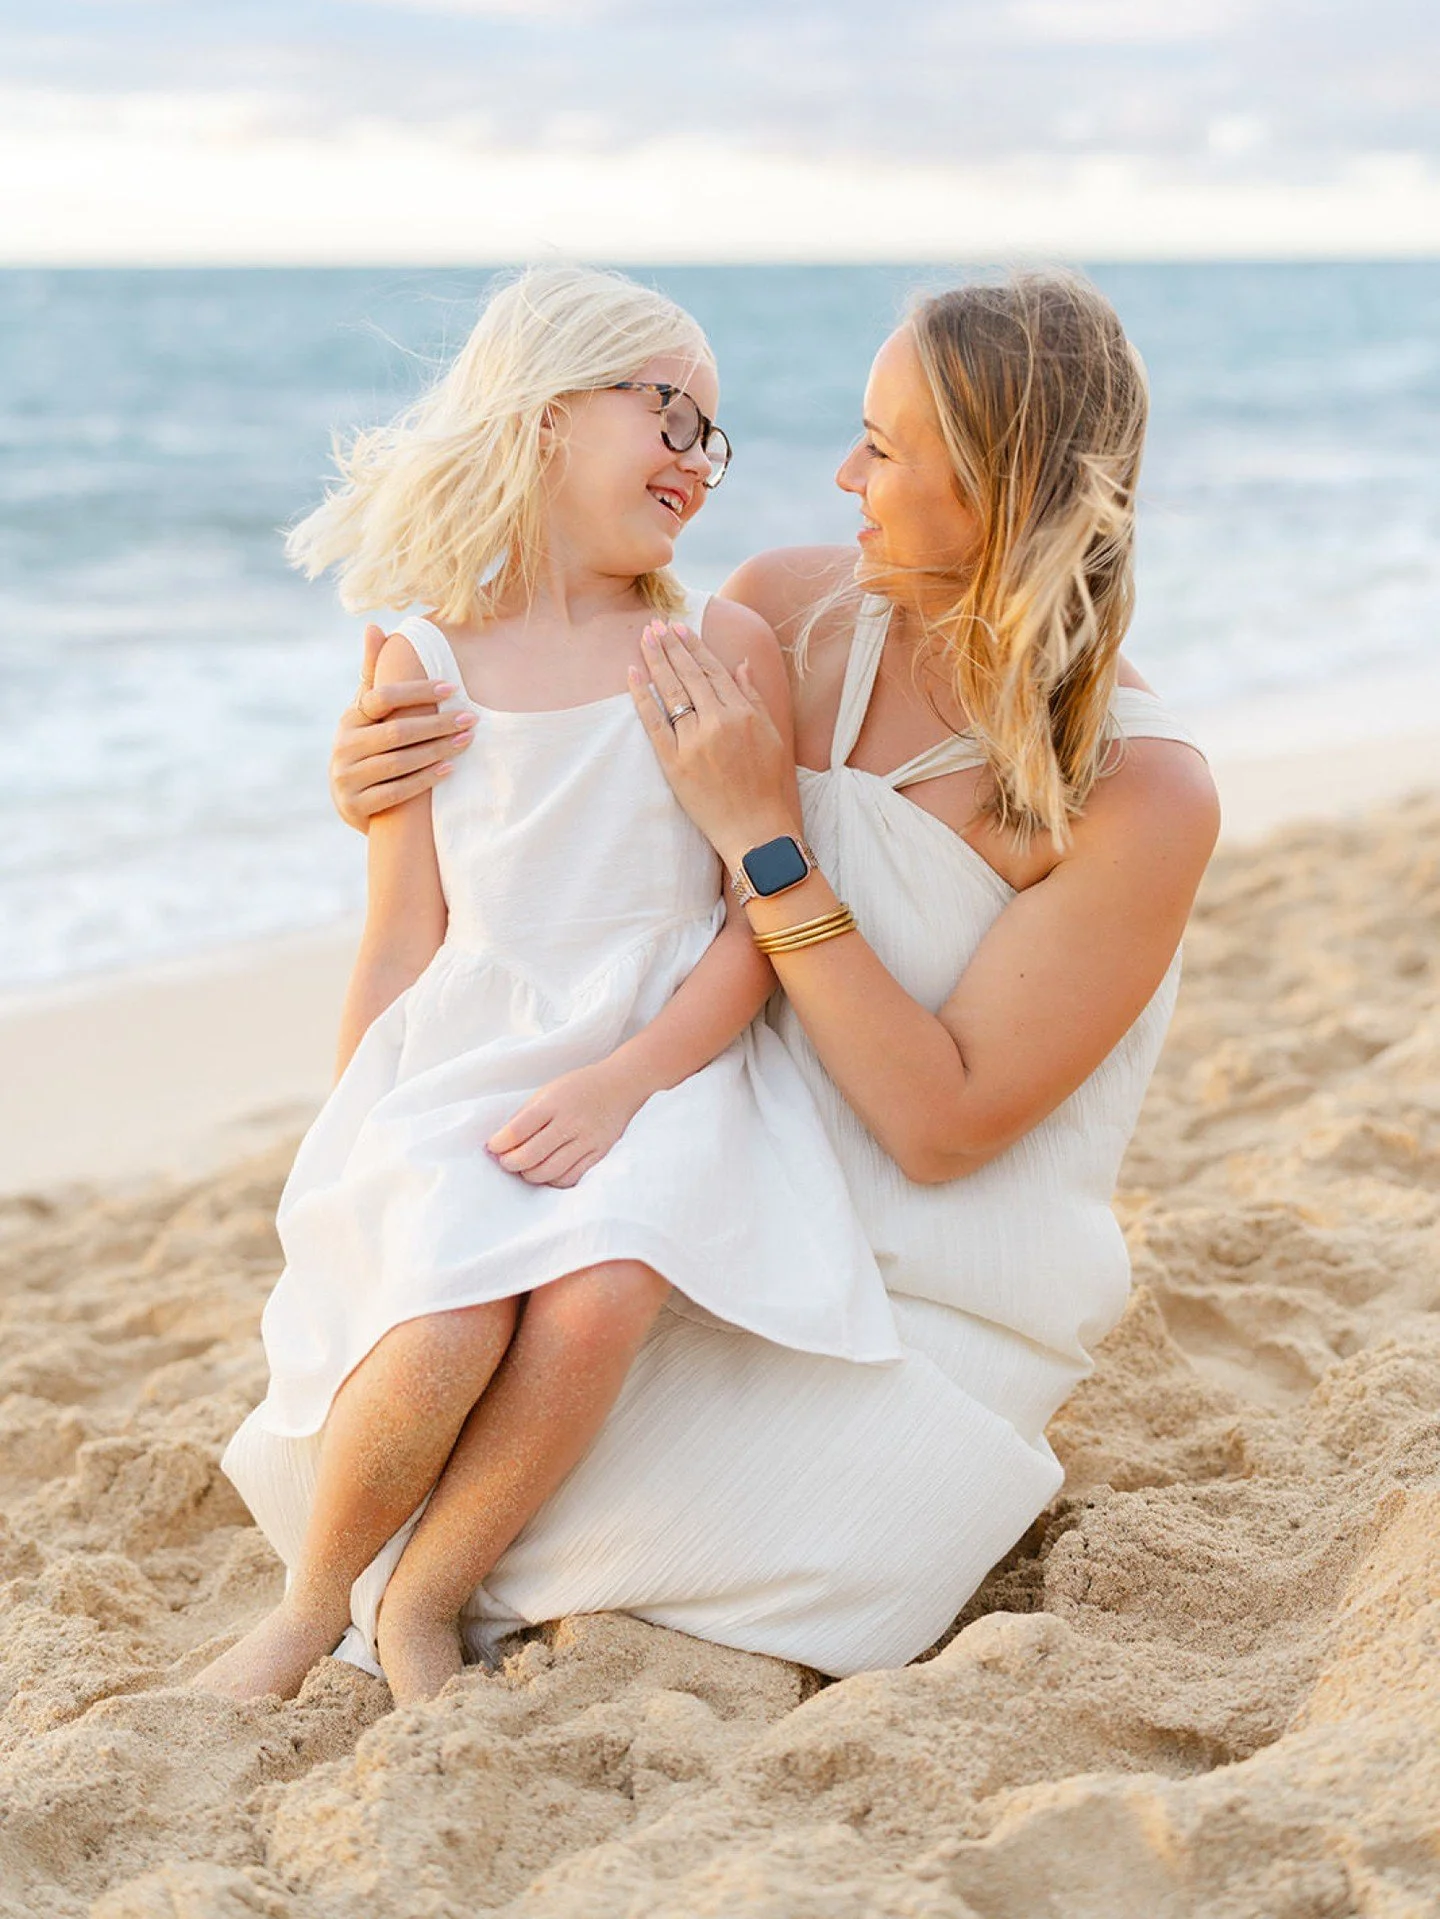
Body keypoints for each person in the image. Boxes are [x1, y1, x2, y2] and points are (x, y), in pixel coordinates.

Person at [321, 267, 1221, 1679]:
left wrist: (765, 836)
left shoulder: (1140, 790)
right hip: (708, 1182)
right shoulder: (796, 612)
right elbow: (583, 825)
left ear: (994, 481)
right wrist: (386, 781)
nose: (845, 473)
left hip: (933, 1276)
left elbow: (942, 1125)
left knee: (740, 1561)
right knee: (456, 1402)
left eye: (888, 446)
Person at [197, 266, 899, 1708]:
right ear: (539, 409)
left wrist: (624, 1079)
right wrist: (357, 1136)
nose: (698, 459)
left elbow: (741, 930)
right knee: (446, 1305)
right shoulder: (426, 651)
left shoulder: (715, 652)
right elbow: (402, 934)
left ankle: (428, 1602)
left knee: (603, 1285)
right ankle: (314, 1599)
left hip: (665, 1057)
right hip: (473, 1048)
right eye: (669, 413)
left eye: (717, 434)